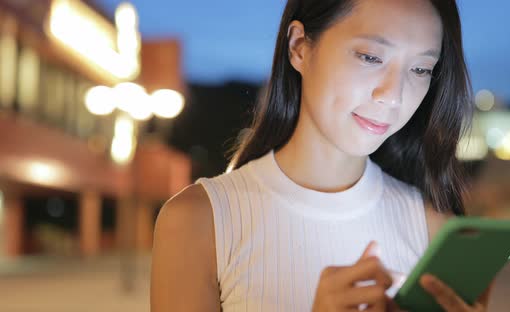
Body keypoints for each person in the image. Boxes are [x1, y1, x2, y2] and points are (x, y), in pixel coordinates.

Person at [151, 0, 492, 311]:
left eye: (420, 70)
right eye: (371, 57)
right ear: (298, 46)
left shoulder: (432, 229)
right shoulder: (200, 222)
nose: (393, 95)